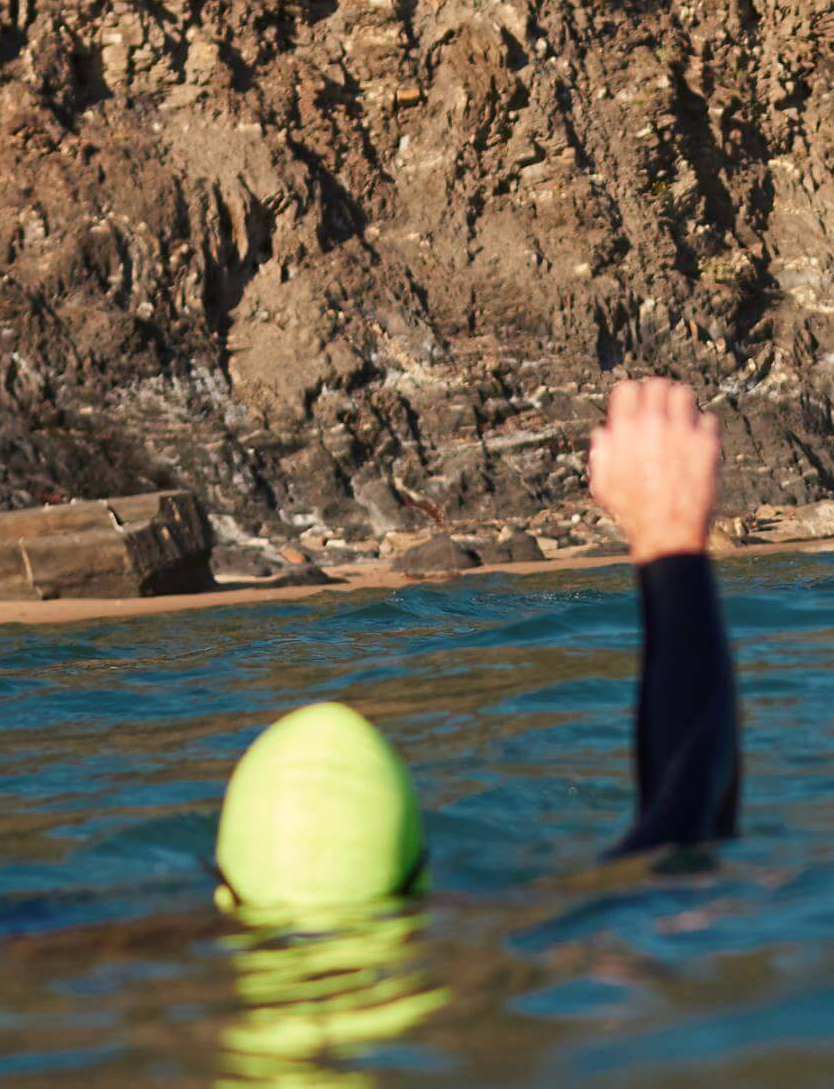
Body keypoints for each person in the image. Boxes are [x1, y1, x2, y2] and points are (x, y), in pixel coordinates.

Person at [213, 378, 742, 917]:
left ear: (225, 894)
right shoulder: (505, 932)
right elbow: (681, 836)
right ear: (419, 870)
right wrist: (668, 534)